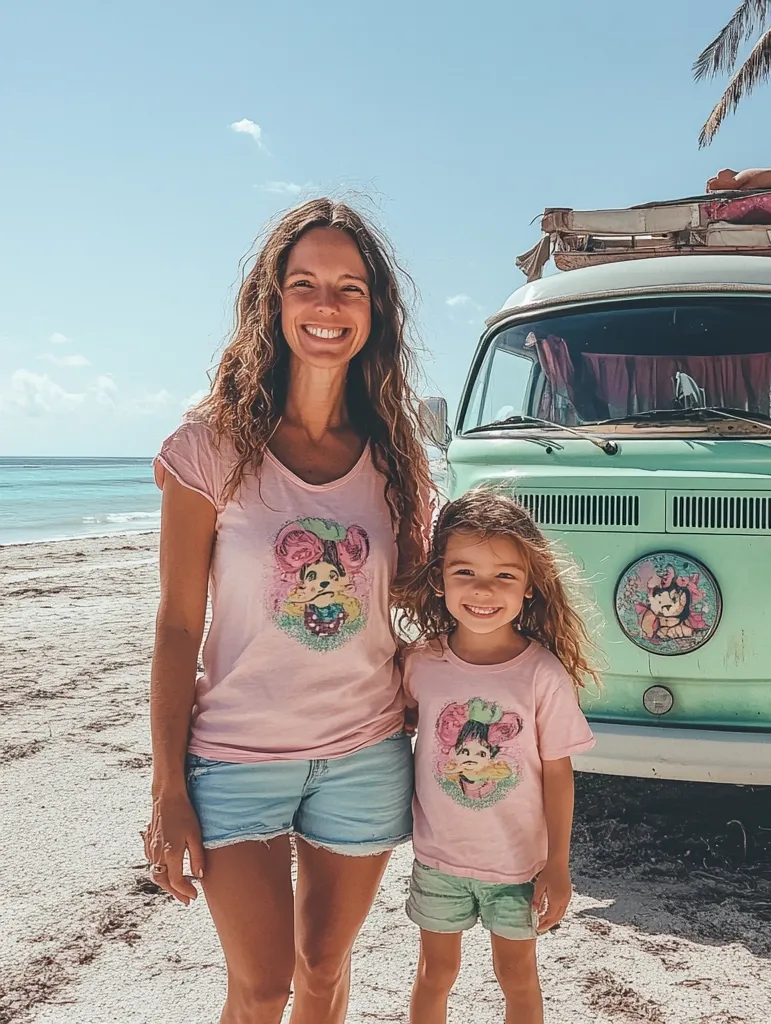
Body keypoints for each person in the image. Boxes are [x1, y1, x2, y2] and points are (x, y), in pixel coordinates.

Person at [142, 199, 434, 1024]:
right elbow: (176, 626)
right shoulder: (210, 446)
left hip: (366, 753)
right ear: (273, 301)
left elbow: (417, 602)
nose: (326, 305)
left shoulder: (396, 458)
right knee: (263, 984)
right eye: (305, 283)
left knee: (323, 972)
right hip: (236, 756)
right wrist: (167, 786)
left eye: (349, 288)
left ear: (374, 310)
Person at [397, 490, 599, 1024]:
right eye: (464, 571)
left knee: (517, 977)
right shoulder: (421, 662)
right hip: (437, 861)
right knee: (435, 973)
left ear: (529, 585)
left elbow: (558, 774)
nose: (483, 590)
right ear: (439, 578)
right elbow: (400, 720)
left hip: (517, 867)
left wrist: (558, 864)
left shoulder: (542, 675)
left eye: (504, 575)